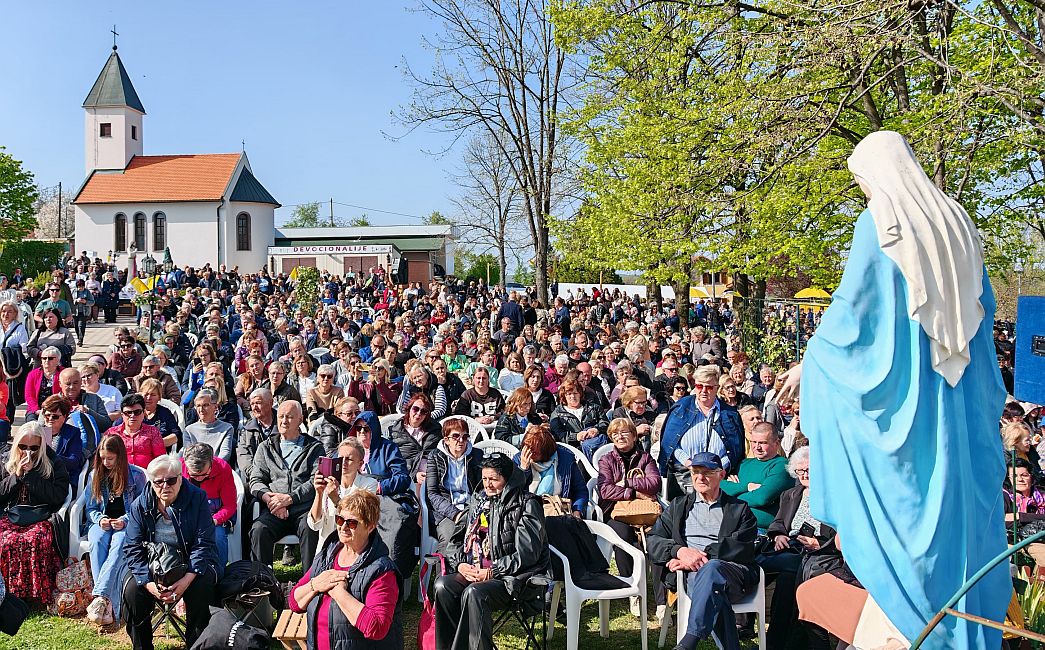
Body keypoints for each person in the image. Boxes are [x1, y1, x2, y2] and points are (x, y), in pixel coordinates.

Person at [781, 131, 1009, 647]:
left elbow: (852, 314)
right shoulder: (961, 227)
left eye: (863, 183)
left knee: (908, 543)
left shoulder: (880, 223)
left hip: (913, 428)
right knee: (959, 540)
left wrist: (811, 364)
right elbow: (982, 317)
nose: (865, 194)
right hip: (961, 418)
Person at [433, 452, 550, 650]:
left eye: (494, 479)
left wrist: (492, 571)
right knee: (443, 586)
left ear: (508, 479)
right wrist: (460, 564)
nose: (487, 484)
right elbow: (455, 541)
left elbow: (528, 553)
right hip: (475, 570)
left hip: (514, 580)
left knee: (474, 593)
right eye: (484, 478)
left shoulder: (526, 504)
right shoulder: (478, 501)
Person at [647, 452, 759, 650]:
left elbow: (740, 547)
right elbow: (654, 540)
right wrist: (680, 551)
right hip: (693, 575)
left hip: (732, 574)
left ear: (722, 475)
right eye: (696, 472)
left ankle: (690, 641)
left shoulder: (740, 509)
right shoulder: (678, 506)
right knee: (712, 589)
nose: (700, 477)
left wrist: (697, 557)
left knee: (711, 568)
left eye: (707, 473)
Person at [122, 454, 220, 649]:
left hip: (190, 561)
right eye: (158, 482)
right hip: (154, 564)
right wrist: (148, 583)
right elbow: (132, 547)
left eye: (171, 480)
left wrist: (186, 580)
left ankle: (196, 645)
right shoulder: (140, 505)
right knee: (133, 591)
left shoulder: (197, 498)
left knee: (202, 587)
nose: (165, 486)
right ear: (151, 482)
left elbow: (204, 543)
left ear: (181, 478)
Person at [289, 490, 402, 648]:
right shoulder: (327, 556)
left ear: (370, 526)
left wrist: (338, 593)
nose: (343, 527)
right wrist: (315, 585)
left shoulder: (382, 571)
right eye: (339, 519)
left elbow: (377, 627)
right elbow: (294, 602)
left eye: (352, 523)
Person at [760, 446, 841, 650]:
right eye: (800, 471)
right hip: (790, 546)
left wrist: (819, 544)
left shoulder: (831, 496)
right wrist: (778, 535)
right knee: (758, 567)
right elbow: (778, 522)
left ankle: (779, 642)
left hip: (819, 552)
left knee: (789, 578)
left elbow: (840, 531)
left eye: (808, 470)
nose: (804, 475)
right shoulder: (790, 494)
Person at [596, 418, 662, 616]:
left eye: (624, 432)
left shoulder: (645, 458)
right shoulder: (606, 460)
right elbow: (605, 490)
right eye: (615, 434)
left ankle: (661, 601)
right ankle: (631, 588)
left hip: (645, 512)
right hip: (617, 511)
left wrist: (626, 482)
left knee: (657, 541)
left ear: (634, 435)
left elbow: (654, 483)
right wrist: (633, 492)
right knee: (622, 537)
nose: (620, 436)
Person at [248, 400, 323, 570]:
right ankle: (263, 582)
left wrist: (290, 499)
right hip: (274, 509)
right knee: (259, 529)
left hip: (304, 509)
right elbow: (255, 480)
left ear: (300, 419)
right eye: (281, 416)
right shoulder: (265, 448)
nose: (284, 421)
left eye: (289, 417)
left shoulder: (314, 448)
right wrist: (271, 500)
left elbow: (315, 480)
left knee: (310, 528)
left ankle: (309, 583)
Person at [83, 434, 148, 627]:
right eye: (102, 458)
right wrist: (100, 518)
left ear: (120, 456)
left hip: (127, 524)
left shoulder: (136, 475)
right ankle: (108, 606)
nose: (106, 462)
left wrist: (125, 520)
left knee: (119, 544)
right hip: (101, 522)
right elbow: (90, 508)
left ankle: (102, 599)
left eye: (110, 458)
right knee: (97, 541)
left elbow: (141, 508)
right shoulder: (96, 474)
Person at [0, 421, 69, 604]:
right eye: (23, 446)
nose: (28, 451)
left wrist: (31, 477)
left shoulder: (54, 462)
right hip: (11, 514)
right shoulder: (6, 460)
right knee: (6, 540)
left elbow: (57, 496)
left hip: (41, 516)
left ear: (41, 446)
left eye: (34, 447)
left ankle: (34, 594)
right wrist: (17, 476)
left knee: (34, 539)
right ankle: (9, 595)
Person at [348, 411, 419, 581]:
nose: (362, 433)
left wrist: (379, 487)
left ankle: (390, 574)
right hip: (355, 495)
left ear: (374, 430)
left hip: (384, 494)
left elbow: (402, 477)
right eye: (358, 429)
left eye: (366, 429)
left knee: (394, 518)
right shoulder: (350, 450)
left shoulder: (388, 448)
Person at [659, 365, 744, 498]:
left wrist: (718, 468)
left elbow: (736, 448)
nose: (704, 391)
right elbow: (669, 443)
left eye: (709, 387)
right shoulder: (681, 408)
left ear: (717, 388)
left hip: (718, 475)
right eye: (699, 386)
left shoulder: (730, 414)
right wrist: (690, 464)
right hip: (685, 474)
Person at [307, 437, 379, 553]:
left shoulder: (369, 485)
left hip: (355, 549)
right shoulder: (328, 482)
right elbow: (314, 525)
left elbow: (358, 520)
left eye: (349, 459)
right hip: (326, 549)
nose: (343, 463)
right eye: (341, 458)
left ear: (360, 464)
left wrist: (335, 499)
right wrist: (319, 493)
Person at [425, 418, 483, 553]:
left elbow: (481, 488)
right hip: (446, 512)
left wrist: (475, 510)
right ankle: (445, 573)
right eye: (456, 436)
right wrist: (455, 514)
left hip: (471, 508)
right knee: (450, 537)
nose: (461, 440)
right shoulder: (435, 457)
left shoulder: (476, 455)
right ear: (446, 440)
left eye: (465, 436)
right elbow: (432, 493)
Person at [719, 422, 791, 529]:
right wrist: (746, 487)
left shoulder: (782, 465)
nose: (757, 447)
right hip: (733, 523)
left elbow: (761, 498)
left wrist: (732, 496)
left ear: (776, 443)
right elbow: (717, 486)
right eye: (754, 442)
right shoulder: (744, 464)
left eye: (762, 443)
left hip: (760, 529)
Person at [182, 442, 238, 568]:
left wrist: (214, 520)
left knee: (217, 537)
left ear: (212, 463)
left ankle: (219, 572)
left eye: (204, 474)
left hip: (214, 517)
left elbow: (229, 505)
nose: (199, 478)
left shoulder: (223, 468)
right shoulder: (178, 468)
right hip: (186, 515)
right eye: (194, 475)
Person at [514, 423, 589, 517]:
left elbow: (580, 490)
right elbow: (513, 493)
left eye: (534, 452)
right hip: (527, 510)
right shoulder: (518, 460)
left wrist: (577, 511)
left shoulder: (566, 459)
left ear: (545, 451)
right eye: (526, 449)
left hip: (558, 509)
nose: (529, 454)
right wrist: (523, 470)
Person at [386, 393, 441, 484]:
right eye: (415, 409)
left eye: (423, 411)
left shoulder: (435, 430)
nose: (419, 413)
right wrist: (414, 475)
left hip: (433, 475)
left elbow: (440, 455)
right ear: (409, 409)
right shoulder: (395, 432)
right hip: (407, 477)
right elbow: (395, 461)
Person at [549, 378, 609, 460]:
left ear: (580, 394)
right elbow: (558, 435)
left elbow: (606, 423)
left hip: (596, 448)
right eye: (569, 394)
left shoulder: (595, 408)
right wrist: (576, 436)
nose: (572, 396)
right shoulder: (557, 414)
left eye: (575, 393)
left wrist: (596, 429)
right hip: (572, 452)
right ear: (564, 396)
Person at [36, 394, 85, 492]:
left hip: (61, 480)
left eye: (55, 416)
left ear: (65, 417)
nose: (50, 419)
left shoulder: (72, 433)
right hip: (38, 478)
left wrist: (49, 456)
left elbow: (74, 462)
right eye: (47, 415)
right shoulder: (38, 431)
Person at [105, 394, 167, 469]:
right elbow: (105, 457)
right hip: (119, 474)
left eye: (137, 412)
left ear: (144, 413)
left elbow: (160, 459)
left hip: (147, 475)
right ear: (122, 415)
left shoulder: (153, 432)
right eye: (128, 413)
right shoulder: (112, 433)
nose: (132, 416)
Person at [183, 388, 236, 465]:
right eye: (198, 406)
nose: (201, 409)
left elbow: (225, 453)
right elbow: (188, 455)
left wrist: (209, 467)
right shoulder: (189, 430)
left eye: (205, 405)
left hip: (217, 468)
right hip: (194, 469)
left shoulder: (227, 428)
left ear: (216, 407)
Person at [138, 378, 181, 449]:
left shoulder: (165, 413)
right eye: (146, 394)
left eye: (153, 395)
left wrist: (156, 444)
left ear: (159, 397)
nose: (148, 398)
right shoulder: (134, 412)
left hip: (160, 452)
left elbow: (176, 435)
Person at [611, 386, 657, 451]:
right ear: (629, 402)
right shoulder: (620, 413)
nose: (642, 406)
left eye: (644, 402)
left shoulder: (649, 412)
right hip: (628, 449)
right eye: (638, 403)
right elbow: (616, 435)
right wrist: (636, 431)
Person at [24, 345, 63, 421]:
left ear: (58, 360)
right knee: (32, 425)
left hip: (57, 409)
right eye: (44, 358)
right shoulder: (33, 374)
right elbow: (29, 395)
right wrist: (36, 410)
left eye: (50, 358)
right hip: (36, 409)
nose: (46, 360)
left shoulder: (63, 373)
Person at [71, 279, 94, 346]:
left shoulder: (87, 292)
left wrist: (85, 302)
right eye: (79, 286)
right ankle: (78, 337)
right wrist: (76, 301)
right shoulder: (73, 291)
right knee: (76, 326)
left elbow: (92, 302)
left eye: (82, 286)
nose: (80, 288)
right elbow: (69, 301)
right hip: (75, 312)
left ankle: (81, 340)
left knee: (81, 326)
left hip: (84, 312)